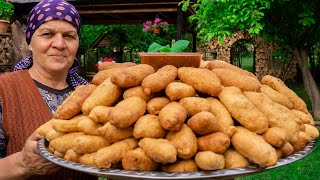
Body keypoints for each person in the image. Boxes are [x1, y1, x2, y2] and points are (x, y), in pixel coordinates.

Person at [0, 0, 97, 179]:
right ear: (30, 42)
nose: (59, 44)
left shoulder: (92, 96)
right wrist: (22, 163)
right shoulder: (4, 90)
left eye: (69, 36)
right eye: (47, 34)